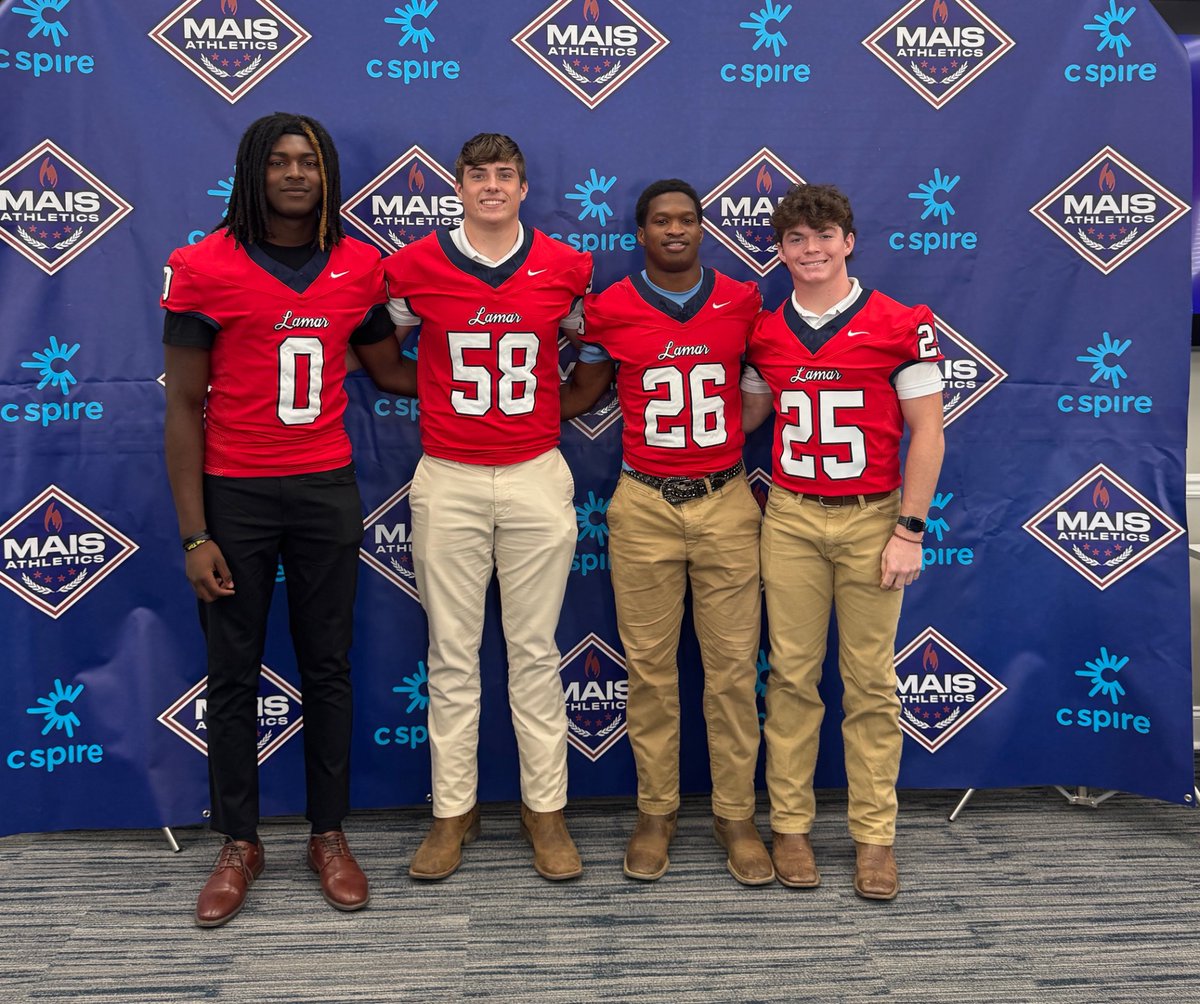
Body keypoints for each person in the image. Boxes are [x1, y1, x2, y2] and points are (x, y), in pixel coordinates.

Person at [162, 112, 415, 927]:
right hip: (234, 493)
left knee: (327, 666)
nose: (296, 173)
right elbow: (182, 407)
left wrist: (511, 365)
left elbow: (391, 371)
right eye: (279, 161)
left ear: (328, 173)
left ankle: (328, 833)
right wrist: (195, 532)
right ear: (254, 171)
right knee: (233, 672)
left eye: (309, 161)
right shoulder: (203, 265)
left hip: (324, 487)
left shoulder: (359, 265)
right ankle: (239, 840)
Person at [383, 133, 592, 882]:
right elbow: (381, 350)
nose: (493, 186)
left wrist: (546, 411)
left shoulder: (566, 266)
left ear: (524, 188)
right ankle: (452, 812)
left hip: (535, 470)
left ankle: (546, 810)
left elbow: (592, 351)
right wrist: (436, 394)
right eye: (479, 175)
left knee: (534, 651)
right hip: (449, 474)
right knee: (451, 652)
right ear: (459, 186)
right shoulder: (414, 265)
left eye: (506, 174)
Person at [562, 180, 773, 885]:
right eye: (661, 220)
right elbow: (584, 388)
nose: (674, 229)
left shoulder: (742, 301)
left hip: (724, 499)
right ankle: (657, 811)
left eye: (686, 219)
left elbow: (765, 385)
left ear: (703, 229)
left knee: (733, 671)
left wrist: (724, 442)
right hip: (645, 503)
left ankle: (735, 813)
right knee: (650, 671)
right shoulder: (610, 308)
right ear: (641, 233)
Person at [741, 183, 944, 900]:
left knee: (870, 684)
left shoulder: (900, 322)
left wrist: (909, 529)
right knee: (792, 678)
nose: (812, 249)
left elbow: (928, 433)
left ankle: (874, 836)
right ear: (781, 249)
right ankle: (790, 826)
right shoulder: (764, 332)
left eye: (824, 235)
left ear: (848, 242)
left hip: (871, 515)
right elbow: (747, 417)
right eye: (796, 239)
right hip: (792, 514)